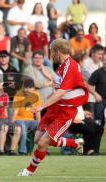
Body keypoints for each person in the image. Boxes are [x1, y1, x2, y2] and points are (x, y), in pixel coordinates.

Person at [18, 38, 88, 176]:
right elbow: (61, 88)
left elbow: (62, 92)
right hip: (54, 109)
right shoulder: (62, 67)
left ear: (57, 51)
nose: (51, 55)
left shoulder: (70, 66)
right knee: (38, 139)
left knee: (43, 142)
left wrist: (40, 107)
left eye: (51, 52)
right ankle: (75, 144)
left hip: (65, 112)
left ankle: (29, 170)